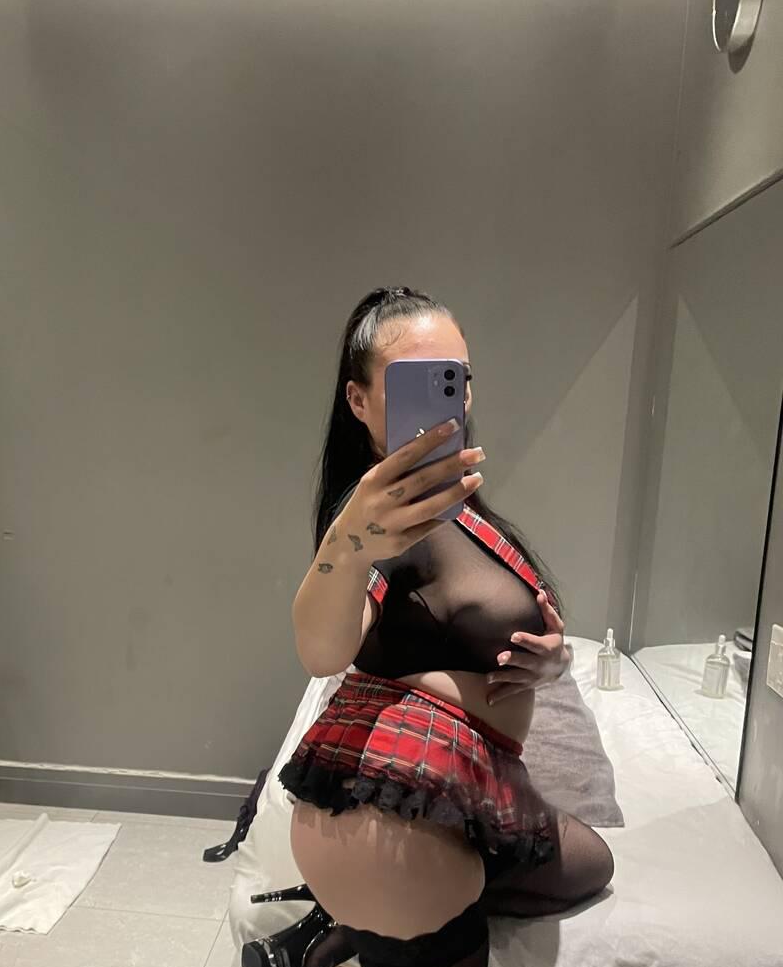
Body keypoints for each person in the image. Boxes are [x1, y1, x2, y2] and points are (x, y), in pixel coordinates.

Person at [247, 288, 613, 967]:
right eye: (415, 381)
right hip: (399, 827)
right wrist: (350, 542)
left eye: (455, 378)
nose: (450, 400)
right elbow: (323, 650)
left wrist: (551, 662)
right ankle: (354, 916)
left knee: (593, 862)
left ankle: (332, 927)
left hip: (457, 790)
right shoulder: (376, 526)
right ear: (358, 401)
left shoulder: (459, 506)